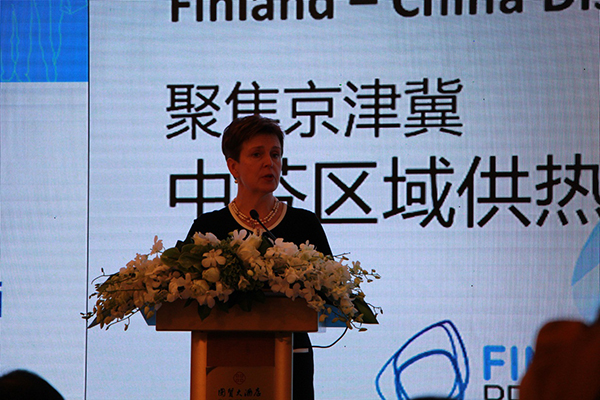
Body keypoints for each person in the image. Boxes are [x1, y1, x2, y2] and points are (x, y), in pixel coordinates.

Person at [181, 114, 332, 400]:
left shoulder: (304, 224)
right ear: (233, 166)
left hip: (292, 358)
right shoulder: (209, 228)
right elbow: (184, 295)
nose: (269, 163)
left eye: (275, 154)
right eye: (257, 154)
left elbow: (329, 294)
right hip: (223, 361)